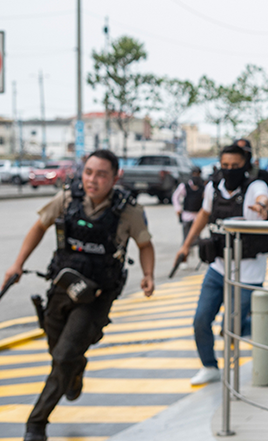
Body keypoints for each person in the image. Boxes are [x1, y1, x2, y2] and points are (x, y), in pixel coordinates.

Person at [3, 149, 155, 441]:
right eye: (88, 172)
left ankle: (36, 424)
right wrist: (17, 264)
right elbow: (39, 226)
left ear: (115, 177)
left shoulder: (128, 210)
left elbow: (145, 244)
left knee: (63, 354)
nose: (92, 180)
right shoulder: (67, 198)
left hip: (97, 295)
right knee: (58, 350)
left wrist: (148, 275)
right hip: (62, 288)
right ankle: (76, 369)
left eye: (101, 174)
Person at [174, 144, 268, 386]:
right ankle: (210, 366)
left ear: (245, 166)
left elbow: (266, 198)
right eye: (225, 166)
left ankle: (250, 324)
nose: (229, 171)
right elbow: (203, 215)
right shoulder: (213, 187)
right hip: (218, 268)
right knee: (201, 320)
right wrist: (186, 245)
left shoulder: (254, 187)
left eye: (235, 166)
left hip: (248, 272)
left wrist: (263, 206)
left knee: (232, 325)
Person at [171, 167, 205, 268]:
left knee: (197, 239)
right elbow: (175, 197)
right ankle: (184, 260)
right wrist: (178, 209)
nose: (196, 176)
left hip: (198, 217)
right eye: (194, 174)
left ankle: (201, 257)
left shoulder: (203, 187)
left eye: (197, 174)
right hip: (186, 216)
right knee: (186, 239)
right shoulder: (184, 186)